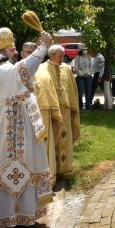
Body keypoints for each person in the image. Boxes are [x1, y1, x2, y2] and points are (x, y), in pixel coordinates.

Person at [0, 27, 53, 228]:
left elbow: (20, 68)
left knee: (24, 165)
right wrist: (43, 46)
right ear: (1, 51)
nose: (16, 52)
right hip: (6, 135)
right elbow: (25, 69)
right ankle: (2, 215)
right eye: (11, 50)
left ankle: (22, 214)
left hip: (17, 130)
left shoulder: (2, 69)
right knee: (5, 168)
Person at [34, 45, 80, 182]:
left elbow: (72, 88)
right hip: (51, 113)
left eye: (63, 55)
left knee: (65, 140)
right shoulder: (41, 69)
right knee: (52, 142)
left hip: (65, 111)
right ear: (52, 55)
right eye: (60, 56)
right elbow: (39, 90)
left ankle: (65, 170)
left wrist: (73, 108)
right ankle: (52, 174)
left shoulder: (66, 68)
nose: (63, 58)